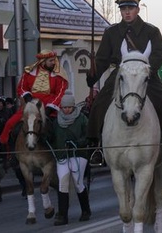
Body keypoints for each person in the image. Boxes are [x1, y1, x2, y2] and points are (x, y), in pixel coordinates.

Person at [86, 0, 162, 164]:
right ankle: (96, 145)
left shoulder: (152, 31)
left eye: (130, 8)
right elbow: (102, 59)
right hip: (120, 74)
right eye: (123, 9)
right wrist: (93, 74)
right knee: (100, 102)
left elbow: (159, 54)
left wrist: (146, 71)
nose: (127, 12)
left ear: (137, 10)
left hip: (146, 73)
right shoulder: (111, 32)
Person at [0, 49, 69, 145]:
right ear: (43, 61)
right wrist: (27, 95)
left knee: (58, 129)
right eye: (51, 61)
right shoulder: (29, 72)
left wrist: (50, 107)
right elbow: (21, 87)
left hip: (49, 109)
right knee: (10, 124)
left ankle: (59, 153)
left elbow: (60, 93)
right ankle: (8, 152)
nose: (54, 63)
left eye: (54, 60)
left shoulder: (58, 76)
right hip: (29, 107)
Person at [51, 92, 91, 226]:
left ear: (73, 106)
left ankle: (86, 210)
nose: (67, 110)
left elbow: (88, 135)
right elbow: (52, 137)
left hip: (78, 154)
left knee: (77, 181)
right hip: (62, 156)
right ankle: (62, 215)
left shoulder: (82, 118)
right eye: (64, 107)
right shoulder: (56, 121)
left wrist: (78, 143)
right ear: (61, 108)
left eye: (69, 107)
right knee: (62, 183)